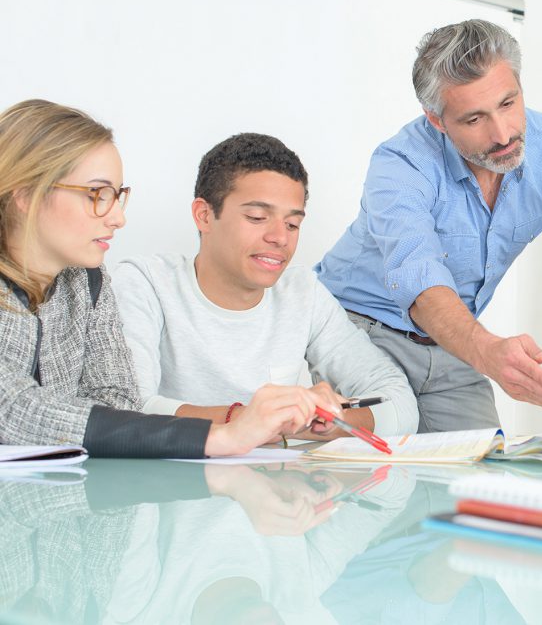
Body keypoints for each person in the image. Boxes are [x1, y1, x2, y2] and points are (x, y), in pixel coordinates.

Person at [315, 19, 542, 432]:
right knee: (375, 476)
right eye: (474, 119)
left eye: (508, 103)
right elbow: (420, 283)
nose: (503, 134)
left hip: (452, 343)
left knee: (484, 468)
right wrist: (487, 351)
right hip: (359, 331)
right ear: (437, 120)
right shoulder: (400, 165)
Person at [0, 99, 340, 457]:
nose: (117, 218)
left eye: (117, 196)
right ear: (25, 194)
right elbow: (12, 409)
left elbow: (117, 401)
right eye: (97, 195)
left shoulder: (86, 282)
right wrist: (221, 436)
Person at [113, 133, 418, 439]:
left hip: (274, 481)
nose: (280, 238)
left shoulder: (302, 292)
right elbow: (122, 410)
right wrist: (248, 419)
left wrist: (319, 422)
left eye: (292, 224)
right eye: (257, 217)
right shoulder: (146, 283)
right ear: (204, 216)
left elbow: (400, 405)